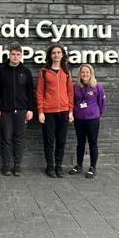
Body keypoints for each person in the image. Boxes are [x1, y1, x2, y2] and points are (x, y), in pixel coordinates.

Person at [0, 42, 34, 176]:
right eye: (13, 54)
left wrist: (30, 109)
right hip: (5, 111)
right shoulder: (1, 71)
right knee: (6, 138)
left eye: (18, 54)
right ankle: (6, 165)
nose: (15, 57)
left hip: (22, 110)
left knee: (19, 139)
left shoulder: (26, 72)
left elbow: (30, 92)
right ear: (9, 55)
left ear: (21, 56)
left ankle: (17, 165)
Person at [36, 43, 74, 178]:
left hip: (63, 111)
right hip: (48, 111)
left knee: (61, 140)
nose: (56, 55)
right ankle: (50, 166)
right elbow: (40, 92)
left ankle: (59, 166)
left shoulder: (66, 72)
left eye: (58, 52)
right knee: (49, 140)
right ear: (50, 56)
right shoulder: (44, 72)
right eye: (54, 53)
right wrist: (40, 111)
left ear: (62, 55)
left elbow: (70, 93)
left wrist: (70, 111)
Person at [69, 64, 107, 178]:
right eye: (83, 72)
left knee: (93, 143)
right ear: (80, 74)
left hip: (92, 120)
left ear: (91, 74)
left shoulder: (97, 86)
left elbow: (102, 103)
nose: (85, 74)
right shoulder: (75, 87)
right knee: (80, 143)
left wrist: (97, 114)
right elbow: (72, 102)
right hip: (79, 120)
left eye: (87, 72)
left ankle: (92, 167)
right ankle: (79, 166)